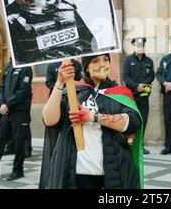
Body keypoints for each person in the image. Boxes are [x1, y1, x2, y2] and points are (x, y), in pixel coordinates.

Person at [39, 53, 143, 189]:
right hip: (78, 171)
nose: (102, 64)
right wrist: (59, 83)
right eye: (95, 61)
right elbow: (49, 120)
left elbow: (133, 122)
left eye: (106, 59)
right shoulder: (72, 91)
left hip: (114, 170)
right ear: (87, 68)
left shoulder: (119, 92)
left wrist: (91, 117)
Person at [122, 37, 155, 154]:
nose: (139, 48)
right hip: (132, 96)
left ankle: (140, 145)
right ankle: (130, 143)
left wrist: (143, 85)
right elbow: (125, 77)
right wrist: (136, 86)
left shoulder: (149, 61)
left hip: (144, 97)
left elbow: (151, 76)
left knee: (143, 121)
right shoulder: (128, 60)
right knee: (131, 121)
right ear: (134, 47)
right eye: (137, 46)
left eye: (141, 46)